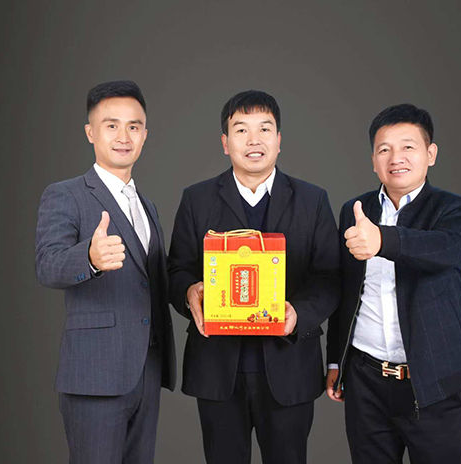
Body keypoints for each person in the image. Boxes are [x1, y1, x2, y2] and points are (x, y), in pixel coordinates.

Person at [168, 90, 340, 464]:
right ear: (225, 143)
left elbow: (329, 277)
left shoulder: (312, 200)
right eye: (241, 130)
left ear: (279, 140)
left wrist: (299, 313)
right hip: (217, 369)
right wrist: (189, 291)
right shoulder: (197, 199)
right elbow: (176, 269)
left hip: (290, 366)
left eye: (264, 129)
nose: (254, 140)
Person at [326, 103, 461, 463]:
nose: (396, 158)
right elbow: (344, 289)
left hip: (433, 381)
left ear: (430, 154)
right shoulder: (355, 209)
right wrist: (335, 361)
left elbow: (446, 249)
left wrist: (382, 240)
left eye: (408, 146)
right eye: (384, 149)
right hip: (365, 380)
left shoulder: (454, 209)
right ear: (373, 160)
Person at [35, 80, 176, 464]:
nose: (123, 136)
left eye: (134, 126)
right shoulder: (66, 194)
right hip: (94, 374)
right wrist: (90, 258)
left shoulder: (147, 206)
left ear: (145, 135)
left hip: (147, 370)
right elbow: (47, 265)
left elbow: (153, 280)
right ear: (90, 132)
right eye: (111, 125)